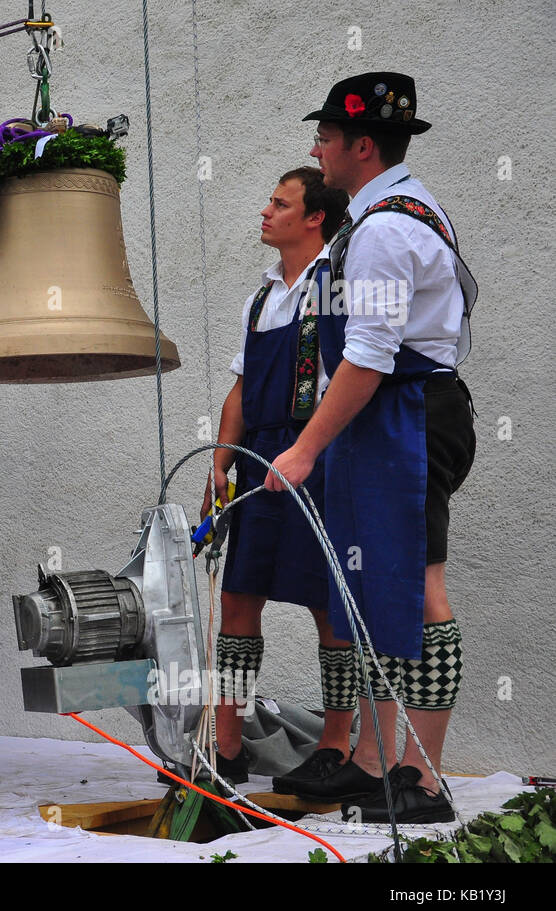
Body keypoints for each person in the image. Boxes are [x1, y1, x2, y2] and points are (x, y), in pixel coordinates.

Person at [265, 73, 476, 823]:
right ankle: (370, 764)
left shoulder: (385, 228)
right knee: (376, 591)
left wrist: (304, 449)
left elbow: (370, 356)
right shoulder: (385, 215)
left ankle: (423, 778)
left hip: (405, 413)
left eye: (325, 136)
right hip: (387, 416)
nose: (316, 147)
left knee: (419, 593)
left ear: (360, 145)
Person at [202, 167, 350, 788]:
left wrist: (316, 449)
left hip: (317, 452)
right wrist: (220, 460)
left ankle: (337, 749)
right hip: (260, 453)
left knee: (328, 603)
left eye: (279, 202)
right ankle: (226, 748)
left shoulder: (337, 286)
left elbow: (354, 375)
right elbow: (240, 386)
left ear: (314, 217)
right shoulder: (259, 297)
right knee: (238, 598)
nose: (265, 211)